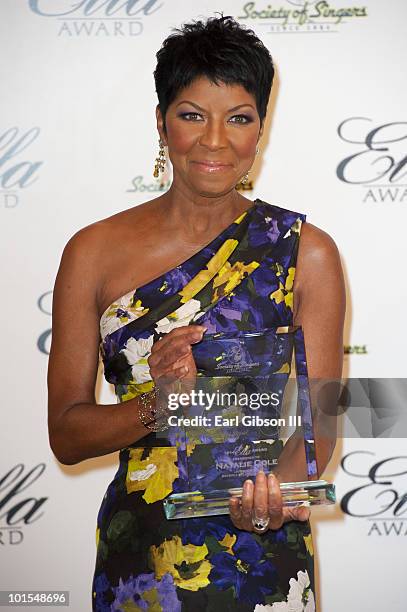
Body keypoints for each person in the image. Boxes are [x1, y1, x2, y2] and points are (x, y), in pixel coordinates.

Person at [47, 15, 345, 612]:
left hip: (263, 555)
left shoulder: (305, 251)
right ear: (161, 123)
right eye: (191, 115)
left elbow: (323, 423)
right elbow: (67, 434)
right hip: (143, 553)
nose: (215, 141)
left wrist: (271, 494)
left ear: (261, 127)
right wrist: (158, 404)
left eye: (239, 118)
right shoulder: (93, 252)